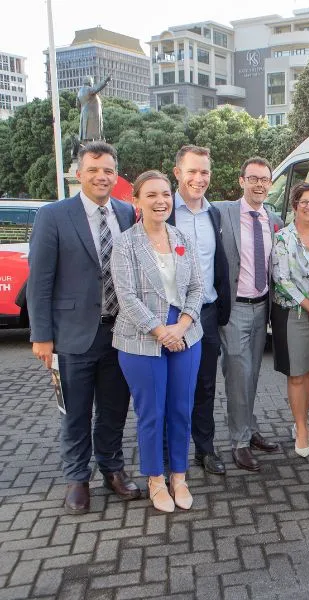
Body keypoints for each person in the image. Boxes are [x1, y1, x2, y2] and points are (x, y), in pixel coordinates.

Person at [27, 141, 141, 514]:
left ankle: (112, 468)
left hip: (119, 333)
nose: (101, 176)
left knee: (113, 409)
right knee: (74, 412)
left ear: (115, 174)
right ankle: (77, 477)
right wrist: (41, 336)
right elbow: (40, 281)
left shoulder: (127, 213)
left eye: (108, 170)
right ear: (79, 174)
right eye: (93, 170)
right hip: (71, 334)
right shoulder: (54, 215)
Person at [111, 171, 204, 512]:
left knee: (181, 409)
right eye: (151, 195)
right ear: (136, 201)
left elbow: (197, 287)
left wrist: (181, 326)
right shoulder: (125, 243)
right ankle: (155, 479)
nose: (160, 201)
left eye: (165, 194)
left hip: (185, 334)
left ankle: (179, 476)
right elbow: (127, 295)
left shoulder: (182, 238)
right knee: (152, 412)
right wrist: (159, 330)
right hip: (140, 339)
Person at [170, 147, 252, 476]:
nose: (199, 178)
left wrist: (221, 310)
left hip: (205, 314)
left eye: (204, 172)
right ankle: (171, 457)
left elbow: (219, 264)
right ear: (177, 173)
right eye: (192, 171)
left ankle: (205, 449)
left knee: (205, 387)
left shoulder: (213, 214)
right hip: (171, 318)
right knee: (174, 389)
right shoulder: (163, 209)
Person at [216, 157, 284, 472]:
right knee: (237, 377)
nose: (259, 184)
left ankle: (250, 427)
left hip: (262, 308)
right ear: (241, 181)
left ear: (270, 184)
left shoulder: (273, 219)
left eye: (264, 179)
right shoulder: (222, 212)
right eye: (253, 178)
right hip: (234, 309)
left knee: (253, 373)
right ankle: (239, 442)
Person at [271, 183, 309, 458]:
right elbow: (281, 279)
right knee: (296, 374)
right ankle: (299, 427)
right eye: (303, 201)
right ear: (294, 205)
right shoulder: (283, 238)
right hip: (294, 314)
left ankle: (304, 426)